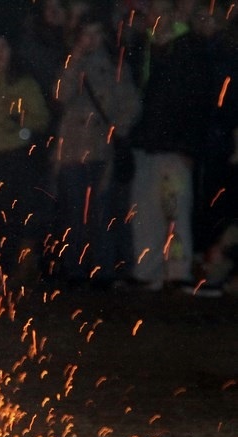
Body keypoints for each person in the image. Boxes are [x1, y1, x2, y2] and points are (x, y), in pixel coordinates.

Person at [127, 0, 213, 291]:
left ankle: (177, 272)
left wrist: (189, 147)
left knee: (174, 211)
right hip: (146, 145)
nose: (154, 16)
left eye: (159, 11)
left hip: (175, 146)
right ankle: (148, 272)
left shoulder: (188, 48)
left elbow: (198, 103)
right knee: (145, 214)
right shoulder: (142, 47)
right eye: (151, 10)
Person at [52, 14, 140, 288]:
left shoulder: (116, 67)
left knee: (101, 212)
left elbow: (132, 104)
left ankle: (102, 271)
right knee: (74, 212)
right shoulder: (71, 64)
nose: (91, 40)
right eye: (85, 34)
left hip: (102, 150)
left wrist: (118, 130)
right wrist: (75, 60)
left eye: (95, 34)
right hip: (73, 150)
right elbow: (59, 95)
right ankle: (75, 270)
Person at [0, 29, 51, 285]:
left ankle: (12, 271)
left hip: (13, 157)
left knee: (11, 216)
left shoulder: (24, 83)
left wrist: (20, 118)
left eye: (4, 47)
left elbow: (42, 119)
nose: (0, 53)